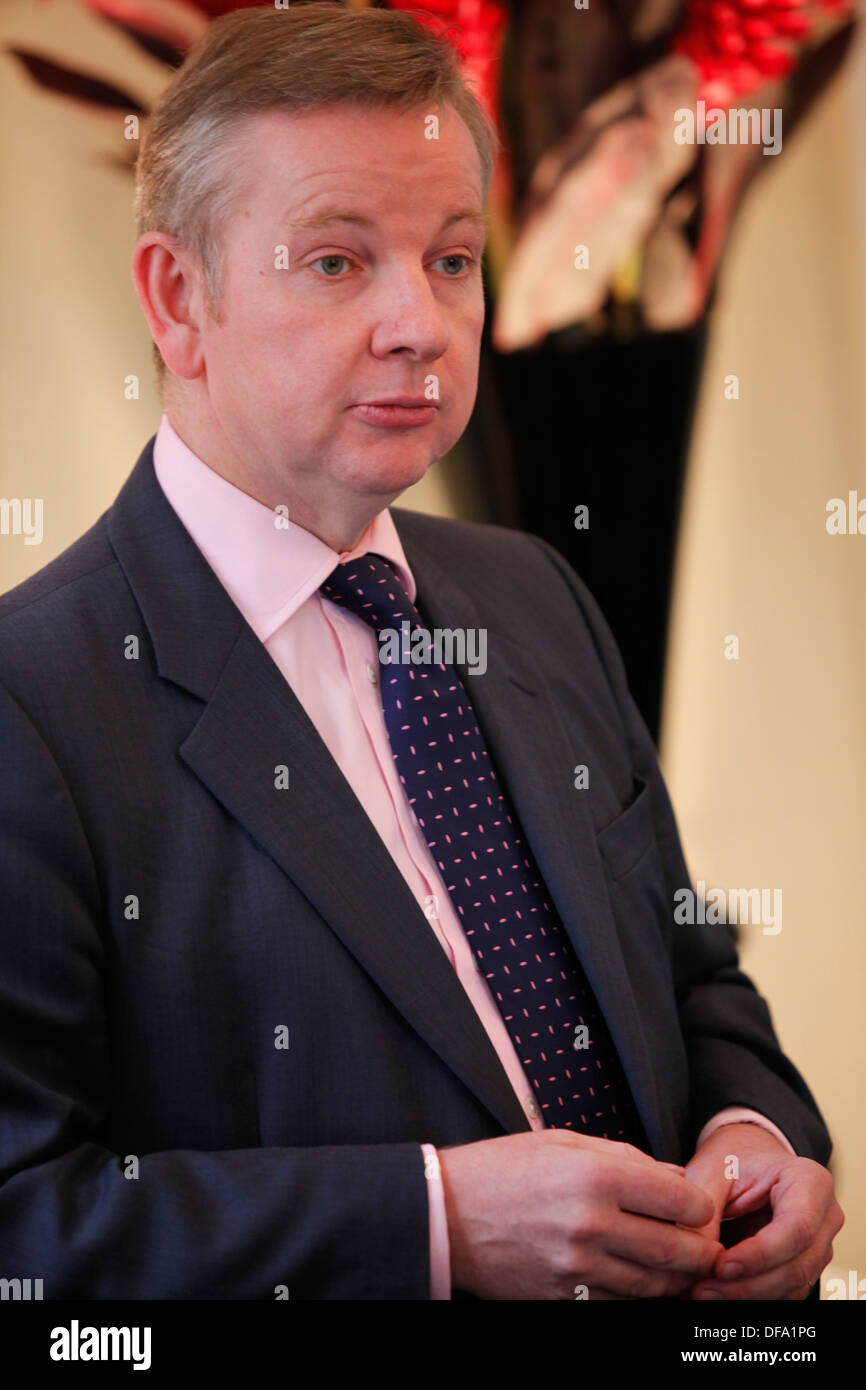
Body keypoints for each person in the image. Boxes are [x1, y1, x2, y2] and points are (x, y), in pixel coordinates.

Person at [0, 4, 841, 1300]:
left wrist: (755, 1137)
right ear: (179, 299)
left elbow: (690, 969)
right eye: (337, 262)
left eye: (451, 258)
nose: (420, 324)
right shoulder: (31, 704)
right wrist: (436, 1222)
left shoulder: (533, 592)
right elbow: (28, 1228)